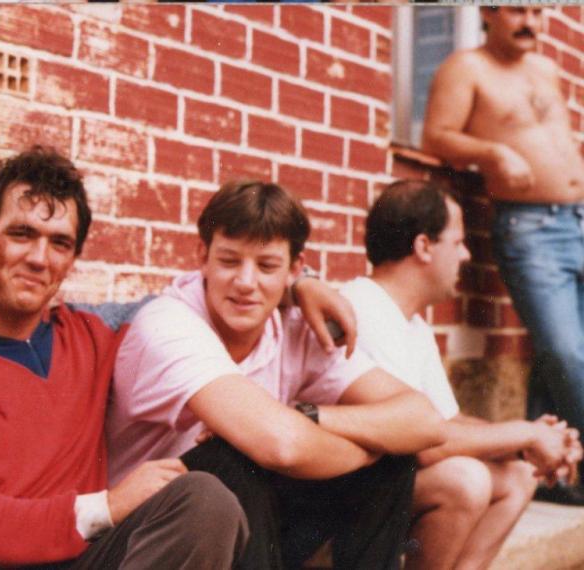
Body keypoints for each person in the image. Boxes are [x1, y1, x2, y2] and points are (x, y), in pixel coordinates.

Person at [0, 148, 250, 569]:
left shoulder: (97, 333)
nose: (39, 258)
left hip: (79, 559)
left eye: (59, 243)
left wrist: (295, 285)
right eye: (22, 234)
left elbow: (209, 297)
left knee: (205, 501)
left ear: (71, 260)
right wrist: (107, 506)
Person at [108, 180, 447, 570]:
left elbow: (425, 420)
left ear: (295, 269)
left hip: (244, 519)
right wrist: (367, 448)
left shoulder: (295, 326)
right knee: (235, 455)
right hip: (152, 535)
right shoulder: (168, 324)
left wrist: (309, 416)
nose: (245, 282)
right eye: (229, 261)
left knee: (393, 460)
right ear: (202, 256)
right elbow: (281, 445)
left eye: (267, 266)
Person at [341, 179, 582, 570]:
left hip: (386, 486)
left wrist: (532, 445)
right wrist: (526, 434)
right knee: (464, 479)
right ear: (424, 246)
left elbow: (448, 421)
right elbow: (423, 442)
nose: (466, 254)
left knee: (519, 475)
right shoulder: (363, 309)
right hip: (340, 498)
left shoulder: (412, 323)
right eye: (457, 242)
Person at [422, 6, 584, 505]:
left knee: (556, 354)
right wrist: (493, 153)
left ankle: (552, 477)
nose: (530, 20)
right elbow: (436, 136)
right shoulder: (466, 67)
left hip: (579, 218)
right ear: (489, 11)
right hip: (530, 226)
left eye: (538, 10)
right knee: (567, 352)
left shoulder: (546, 68)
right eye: (517, 8)